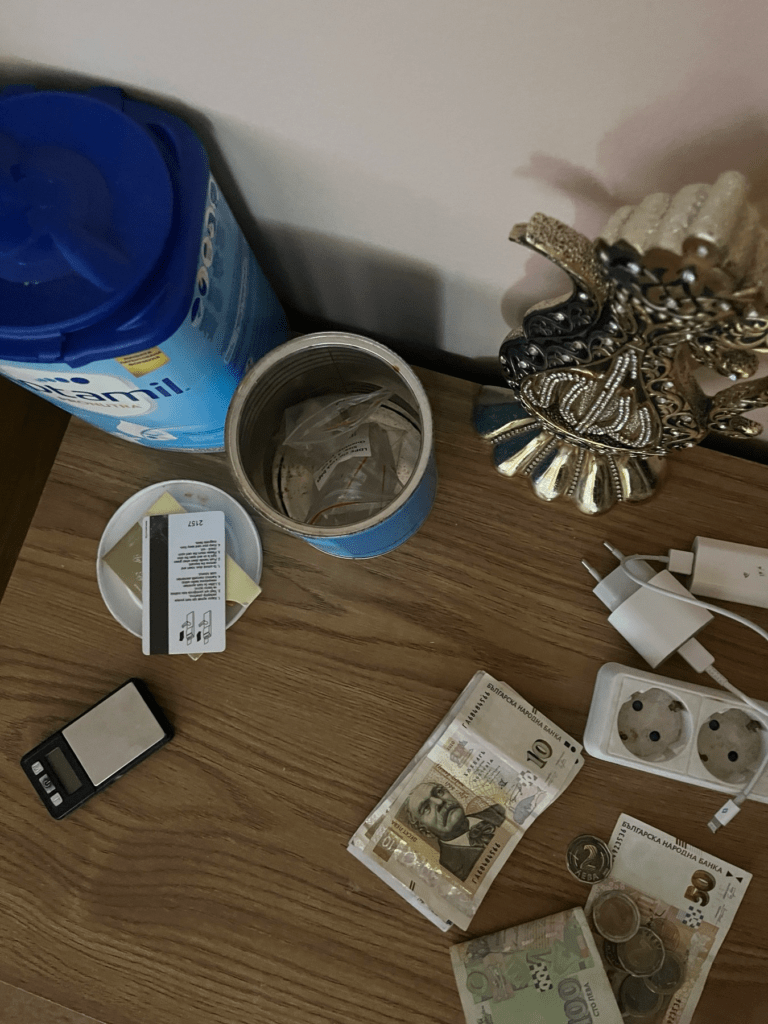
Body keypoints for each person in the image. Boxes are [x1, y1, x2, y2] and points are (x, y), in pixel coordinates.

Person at [403, 782, 505, 882]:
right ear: (426, 831)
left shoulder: (499, 811)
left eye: (439, 792)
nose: (440, 802)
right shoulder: (450, 872)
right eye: (426, 808)